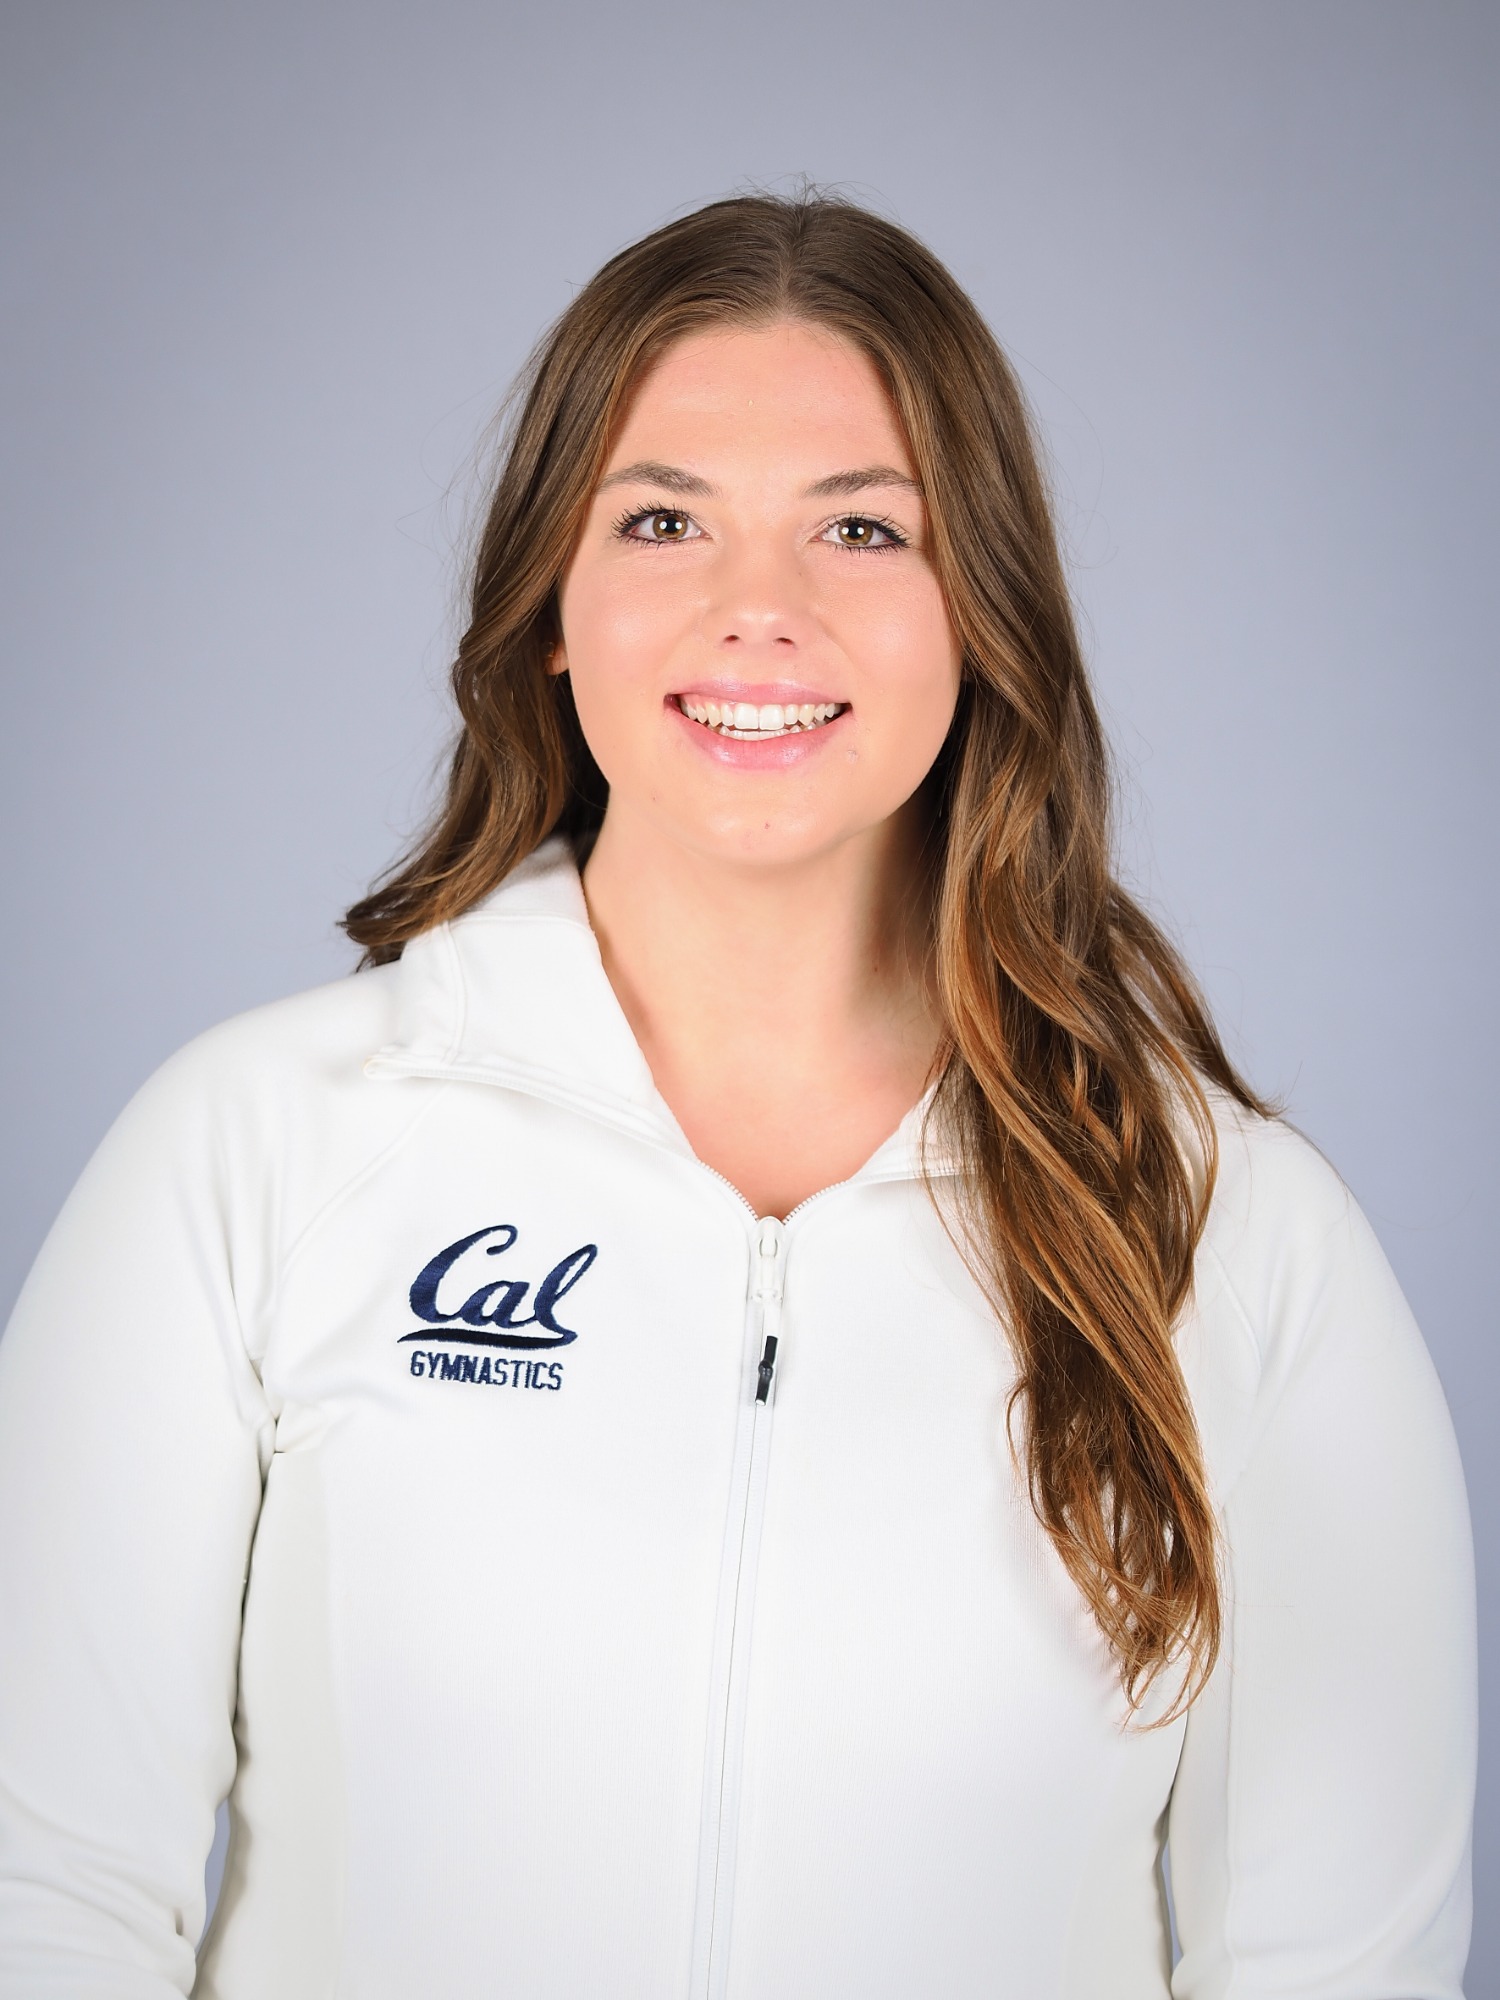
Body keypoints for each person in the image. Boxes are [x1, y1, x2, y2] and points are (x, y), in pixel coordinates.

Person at [0, 193, 1476, 1999]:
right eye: (664, 519)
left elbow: (1340, 1962)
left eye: (862, 527)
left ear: (979, 611)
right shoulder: (253, 1155)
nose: (757, 608)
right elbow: (44, 1886)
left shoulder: (1230, 1240)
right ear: (553, 602)